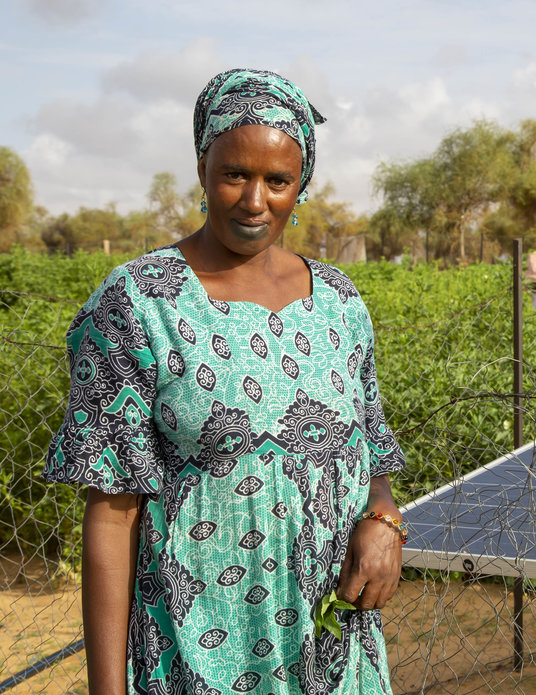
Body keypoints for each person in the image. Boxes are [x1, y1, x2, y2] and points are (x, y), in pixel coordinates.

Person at [43, 68, 406, 695]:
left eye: (278, 180)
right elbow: (110, 514)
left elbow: (367, 444)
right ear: (204, 170)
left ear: (302, 185)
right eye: (235, 174)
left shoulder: (340, 303)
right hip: (197, 653)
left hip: (334, 652)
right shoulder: (140, 302)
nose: (255, 201)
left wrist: (384, 517)